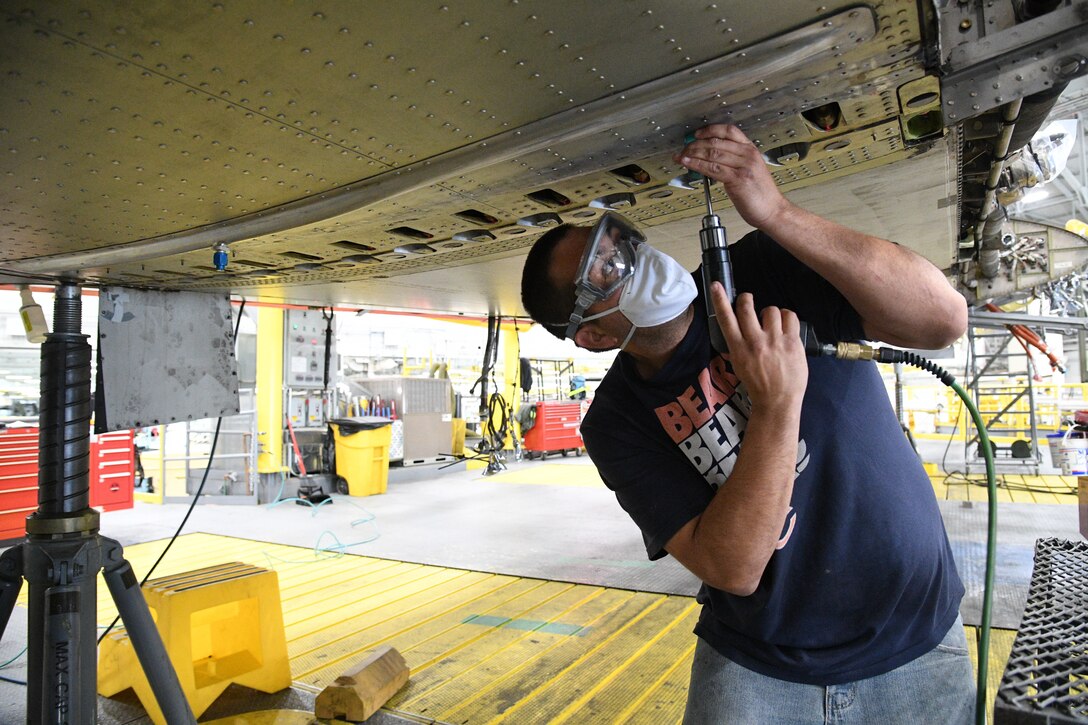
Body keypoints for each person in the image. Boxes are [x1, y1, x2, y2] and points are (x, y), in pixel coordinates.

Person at [519, 124, 974, 724]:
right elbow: (732, 567)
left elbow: (943, 320)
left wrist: (778, 212)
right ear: (595, 335)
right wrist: (779, 405)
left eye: (618, 244)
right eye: (605, 272)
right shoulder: (617, 421)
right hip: (761, 671)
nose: (632, 262)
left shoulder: (762, 270)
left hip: (917, 642)